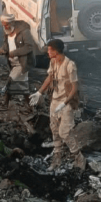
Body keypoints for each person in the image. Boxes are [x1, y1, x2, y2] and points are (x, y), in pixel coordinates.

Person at [30, 39, 82, 170]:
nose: (47, 52)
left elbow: (75, 88)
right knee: (54, 130)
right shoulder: (53, 62)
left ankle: (79, 157)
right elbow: (50, 77)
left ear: (55, 51)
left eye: (49, 49)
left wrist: (64, 103)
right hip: (55, 100)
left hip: (67, 101)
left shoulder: (70, 65)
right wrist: (39, 93)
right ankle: (57, 159)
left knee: (65, 132)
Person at [0, 13, 34, 106]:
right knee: (22, 84)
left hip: (22, 63)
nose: (5, 27)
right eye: (3, 25)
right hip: (12, 63)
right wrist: (3, 50)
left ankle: (5, 103)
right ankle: (30, 106)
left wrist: (14, 53)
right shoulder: (7, 30)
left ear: (12, 22)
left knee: (11, 80)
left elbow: (29, 47)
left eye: (6, 24)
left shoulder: (24, 31)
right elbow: (6, 44)